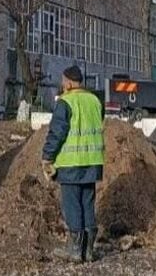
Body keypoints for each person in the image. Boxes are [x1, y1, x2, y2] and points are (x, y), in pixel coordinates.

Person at [41, 65, 105, 263]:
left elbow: (57, 132)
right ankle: (89, 251)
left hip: (71, 164)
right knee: (87, 203)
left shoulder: (65, 102)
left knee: (72, 205)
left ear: (68, 82)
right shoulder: (95, 100)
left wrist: (47, 157)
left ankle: (75, 251)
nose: (62, 84)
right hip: (93, 162)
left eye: (63, 81)